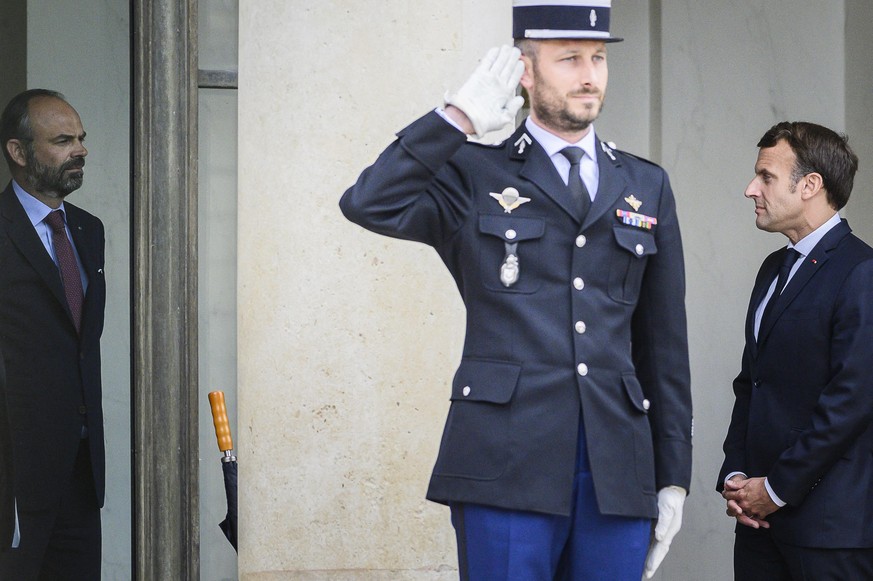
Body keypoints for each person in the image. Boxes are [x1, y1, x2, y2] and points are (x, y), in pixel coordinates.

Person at [340, 2, 692, 578]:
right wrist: (456, 119)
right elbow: (368, 202)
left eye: (599, 58)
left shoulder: (645, 183)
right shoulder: (474, 173)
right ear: (525, 72)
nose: (590, 75)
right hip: (504, 458)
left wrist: (673, 473)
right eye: (570, 58)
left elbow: (664, 344)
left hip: (618, 465)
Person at [718, 121, 873, 580]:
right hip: (757, 523)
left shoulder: (861, 272)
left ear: (810, 185)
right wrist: (736, 477)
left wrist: (779, 488)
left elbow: (851, 402)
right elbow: (752, 382)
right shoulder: (772, 268)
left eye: (765, 176)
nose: (751, 189)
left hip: (829, 532)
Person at [0, 89, 107, 579]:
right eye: (63, 140)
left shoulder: (88, 229)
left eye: (80, 138)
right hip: (16, 478)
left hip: (82, 471)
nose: (80, 149)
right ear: (19, 153)